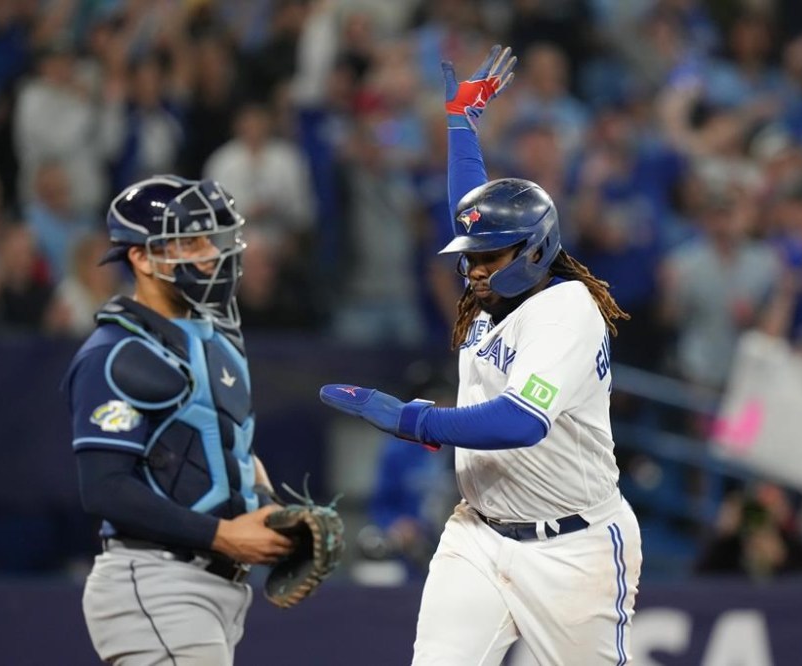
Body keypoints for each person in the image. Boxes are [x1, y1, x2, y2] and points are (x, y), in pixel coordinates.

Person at [320, 46, 642, 665]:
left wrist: (411, 419)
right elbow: (473, 209)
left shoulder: (568, 309)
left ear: (532, 253)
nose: (472, 269)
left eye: (488, 258)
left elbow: (520, 422)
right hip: (478, 534)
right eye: (470, 256)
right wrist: (460, 124)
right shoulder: (496, 284)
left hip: (572, 547)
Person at [62, 175, 295, 664]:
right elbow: (104, 488)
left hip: (212, 587)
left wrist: (273, 510)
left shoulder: (213, 336)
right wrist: (227, 535)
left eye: (212, 237)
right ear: (141, 257)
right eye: (188, 241)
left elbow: (234, 447)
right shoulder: (114, 353)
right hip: (155, 579)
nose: (210, 252)